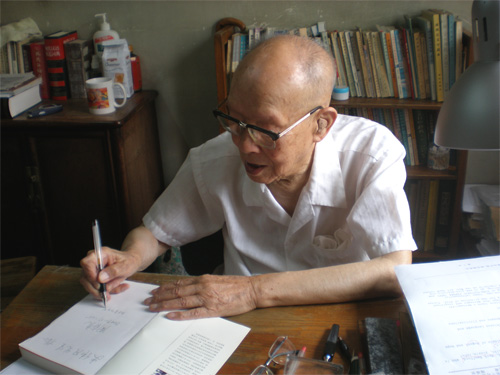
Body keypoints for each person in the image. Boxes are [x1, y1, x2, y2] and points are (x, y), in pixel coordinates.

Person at [81, 35, 416, 320]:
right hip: (238, 323)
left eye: (265, 131)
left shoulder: (371, 155)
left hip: (334, 317)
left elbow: (394, 269)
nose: (243, 145)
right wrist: (129, 258)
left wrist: (254, 291)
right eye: (234, 121)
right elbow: (154, 234)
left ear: (321, 125)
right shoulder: (214, 159)